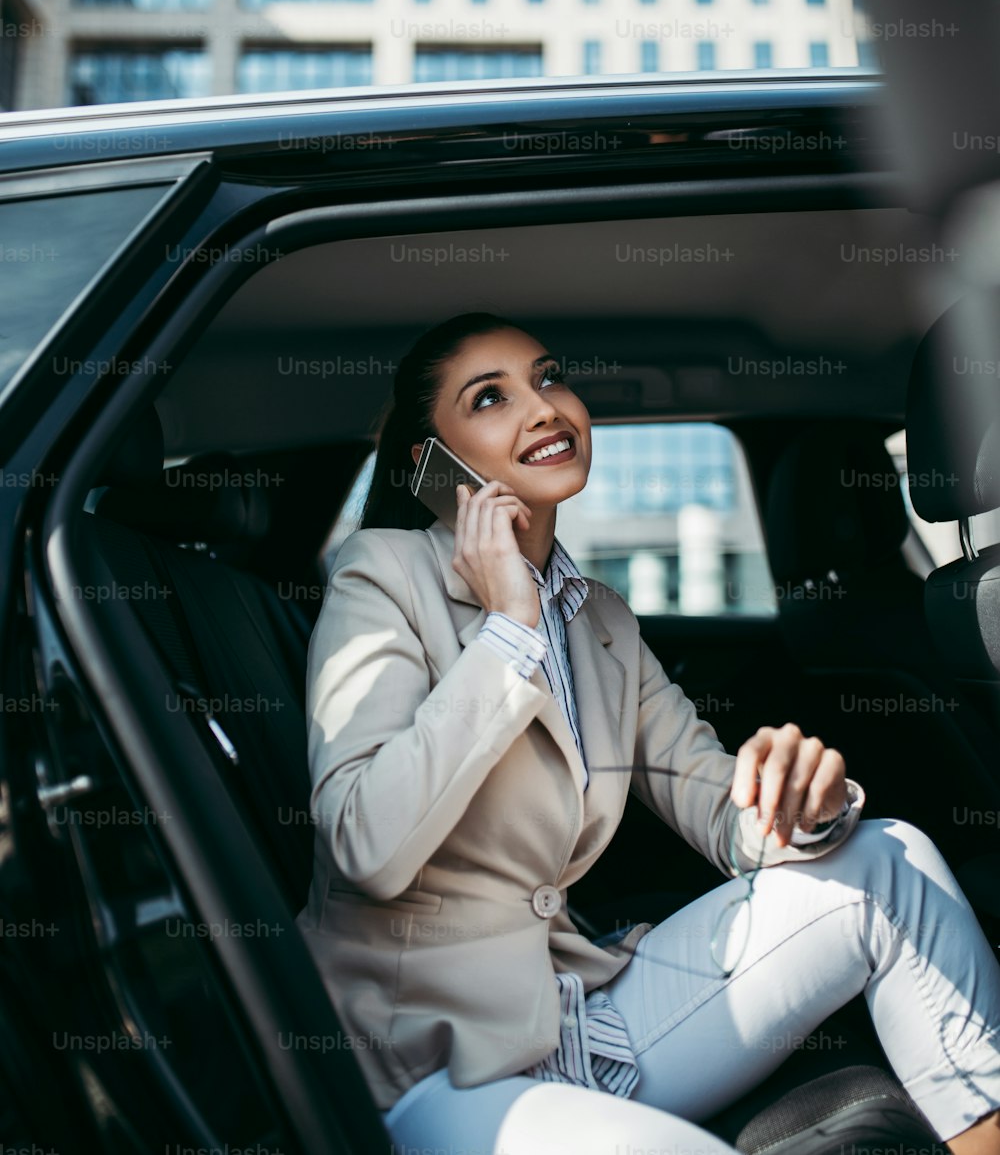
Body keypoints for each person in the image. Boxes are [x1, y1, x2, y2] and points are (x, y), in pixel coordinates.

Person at [294, 310, 1000, 1155]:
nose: (543, 407)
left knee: (891, 860)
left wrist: (801, 808)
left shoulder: (601, 620)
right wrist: (508, 633)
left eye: (550, 377)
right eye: (490, 397)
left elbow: (713, 805)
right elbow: (364, 845)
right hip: (431, 1067)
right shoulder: (382, 574)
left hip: (584, 1016)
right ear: (430, 464)